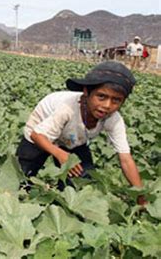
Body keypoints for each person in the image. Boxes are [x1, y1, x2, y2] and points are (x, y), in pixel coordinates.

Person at [16, 61, 146, 204]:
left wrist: (140, 197)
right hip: (41, 131)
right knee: (22, 177)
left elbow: (126, 159)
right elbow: (36, 135)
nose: (107, 105)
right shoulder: (67, 108)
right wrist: (60, 154)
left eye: (116, 100)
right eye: (101, 96)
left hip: (72, 138)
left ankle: (64, 206)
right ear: (86, 92)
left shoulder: (114, 120)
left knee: (81, 181)